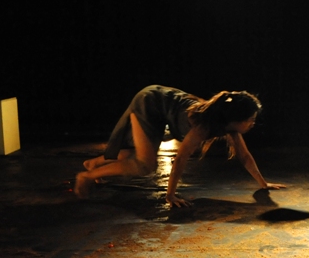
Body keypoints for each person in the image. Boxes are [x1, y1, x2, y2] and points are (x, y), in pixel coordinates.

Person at [75, 85, 285, 207]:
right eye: (250, 119)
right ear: (234, 118)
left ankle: (93, 164)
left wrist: (263, 184)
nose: (252, 124)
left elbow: (245, 156)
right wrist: (170, 195)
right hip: (150, 102)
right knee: (145, 165)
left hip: (162, 110)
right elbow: (181, 159)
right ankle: (86, 176)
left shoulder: (228, 126)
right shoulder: (203, 126)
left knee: (129, 154)